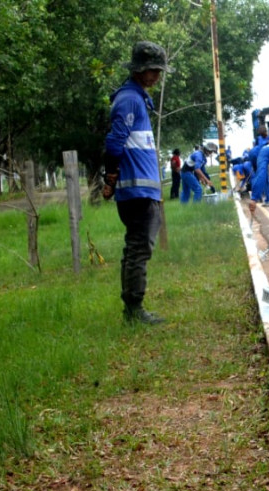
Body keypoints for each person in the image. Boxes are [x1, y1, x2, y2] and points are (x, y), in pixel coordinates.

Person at [101, 41, 173, 326]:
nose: (156, 75)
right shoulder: (129, 99)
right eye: (152, 70)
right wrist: (110, 176)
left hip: (142, 190)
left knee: (137, 249)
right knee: (137, 250)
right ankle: (133, 310)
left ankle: (133, 308)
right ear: (139, 70)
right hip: (136, 192)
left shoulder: (137, 98)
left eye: (159, 70)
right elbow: (114, 142)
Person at [248, 142, 269, 209]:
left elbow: (260, 175)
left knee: (268, 178)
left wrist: (254, 199)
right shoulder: (264, 148)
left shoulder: (261, 154)